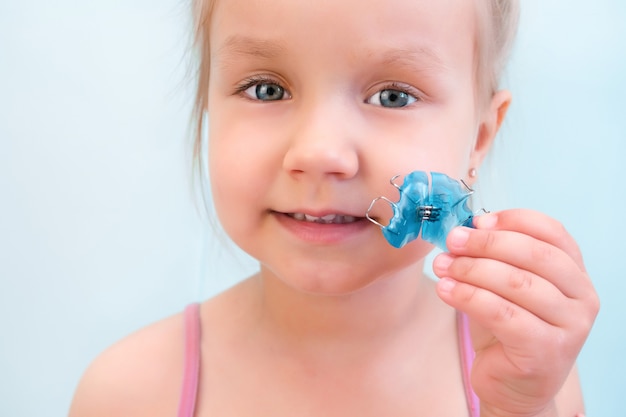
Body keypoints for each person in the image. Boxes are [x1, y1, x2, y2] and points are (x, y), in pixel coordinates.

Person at [68, 0, 600, 416]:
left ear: (479, 138)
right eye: (266, 89)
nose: (320, 152)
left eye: (393, 96)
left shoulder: (519, 373)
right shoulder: (128, 394)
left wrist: (521, 410)